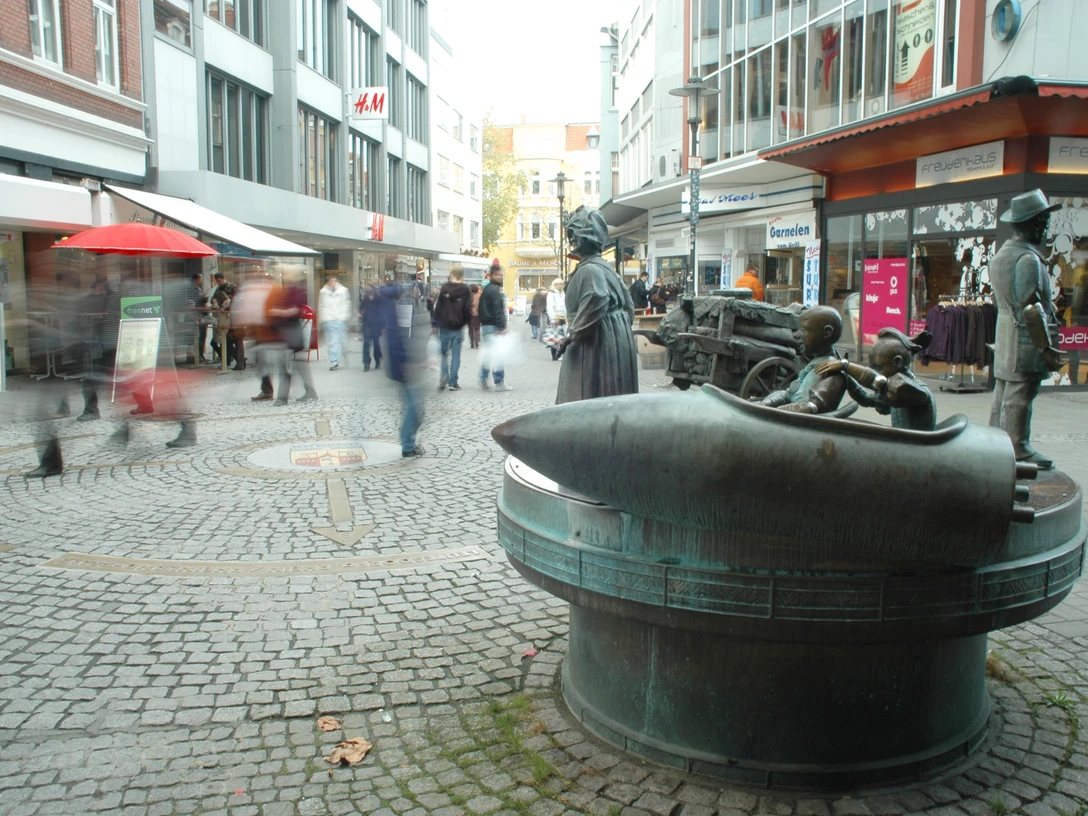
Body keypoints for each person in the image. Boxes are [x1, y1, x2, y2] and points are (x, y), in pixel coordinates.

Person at [989, 189, 1065, 469]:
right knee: (1020, 395)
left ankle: (996, 441)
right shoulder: (1029, 259)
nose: (1045, 229)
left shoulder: (1002, 255)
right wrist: (1045, 348)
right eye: (1043, 223)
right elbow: (1031, 308)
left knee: (1003, 394)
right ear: (1032, 224)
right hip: (1023, 339)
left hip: (1006, 334)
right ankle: (1017, 447)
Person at [554, 207, 639, 404]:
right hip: (612, 342)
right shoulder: (608, 269)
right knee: (610, 397)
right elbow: (628, 307)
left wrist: (573, 335)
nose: (571, 240)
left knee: (586, 396)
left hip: (593, 346)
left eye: (574, 234)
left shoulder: (589, 270)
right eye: (570, 234)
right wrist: (619, 333)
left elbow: (597, 298)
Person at [815, 328, 936, 431]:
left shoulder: (914, 390)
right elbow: (866, 399)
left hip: (914, 453)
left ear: (897, 363)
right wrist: (847, 376)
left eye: (879, 368)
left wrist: (847, 365)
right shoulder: (894, 390)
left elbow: (884, 384)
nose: (876, 372)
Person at [760, 306, 847, 414]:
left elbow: (807, 408)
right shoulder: (816, 363)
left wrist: (770, 413)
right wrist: (765, 404)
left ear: (827, 333)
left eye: (803, 330)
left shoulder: (831, 372)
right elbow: (788, 394)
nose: (795, 335)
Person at [268, 271, 317, 405]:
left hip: (291, 333)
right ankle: (304, 392)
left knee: (291, 366)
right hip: (284, 333)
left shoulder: (295, 291)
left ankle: (283, 397)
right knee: (294, 366)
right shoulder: (282, 291)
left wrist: (277, 312)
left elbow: (295, 310)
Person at [433, 267, 472, 390]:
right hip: (458, 327)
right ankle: (453, 382)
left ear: (452, 274)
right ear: (461, 275)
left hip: (444, 326)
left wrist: (435, 323)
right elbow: (467, 309)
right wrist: (466, 322)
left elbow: (438, 308)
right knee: (456, 355)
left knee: (444, 353)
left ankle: (444, 376)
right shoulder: (466, 290)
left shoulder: (444, 288)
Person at [478, 261, 512, 391]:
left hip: (486, 326)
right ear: (491, 275)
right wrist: (502, 327)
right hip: (494, 326)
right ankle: (499, 382)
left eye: (501, 274)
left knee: (488, 354)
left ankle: (483, 377)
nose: (501, 277)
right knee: (498, 355)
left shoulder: (487, 289)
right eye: (498, 275)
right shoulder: (494, 290)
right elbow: (497, 310)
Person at [318, 273, 352, 371]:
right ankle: (334, 362)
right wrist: (323, 319)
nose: (333, 283)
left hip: (340, 319)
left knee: (342, 340)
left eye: (334, 281)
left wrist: (345, 316)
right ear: (327, 282)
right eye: (331, 281)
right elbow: (321, 306)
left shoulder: (343, 291)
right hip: (329, 319)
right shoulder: (323, 292)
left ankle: (344, 354)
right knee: (332, 342)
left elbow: (347, 304)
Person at [359, 285, 384, 371]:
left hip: (376, 325)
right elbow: (361, 308)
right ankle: (366, 363)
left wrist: (383, 325)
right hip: (367, 324)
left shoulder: (378, 299)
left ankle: (377, 360)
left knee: (376, 345)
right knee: (366, 344)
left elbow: (382, 312)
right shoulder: (365, 299)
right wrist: (360, 314)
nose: (369, 292)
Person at [468, 284, 482, 348]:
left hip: (470, 315)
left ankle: (472, 343)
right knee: (477, 329)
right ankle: (477, 342)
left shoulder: (469, 296)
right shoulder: (479, 296)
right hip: (477, 315)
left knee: (470, 330)